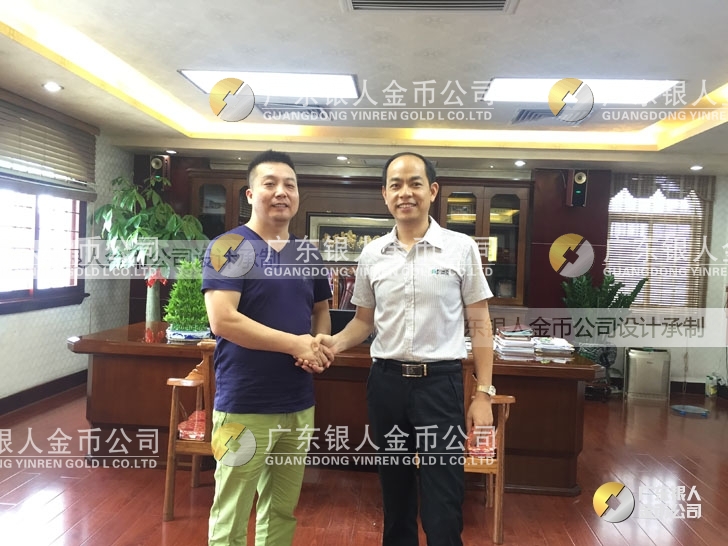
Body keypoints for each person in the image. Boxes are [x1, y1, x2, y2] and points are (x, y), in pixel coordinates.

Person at [316, 152, 495, 546]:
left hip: (441, 385)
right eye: (395, 185)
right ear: (384, 194)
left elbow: (480, 323)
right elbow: (363, 322)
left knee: (443, 502)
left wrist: (483, 393)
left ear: (433, 190)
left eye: (415, 183)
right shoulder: (372, 254)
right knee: (395, 497)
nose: (405, 193)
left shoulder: (460, 248)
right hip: (387, 384)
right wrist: (334, 342)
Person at [202, 150, 332, 546]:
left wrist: (319, 347)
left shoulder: (307, 252)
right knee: (232, 513)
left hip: (298, 403)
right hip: (244, 403)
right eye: (270, 183)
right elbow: (223, 320)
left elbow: (321, 311)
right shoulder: (229, 246)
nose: (281, 192)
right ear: (250, 194)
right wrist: (295, 344)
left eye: (289, 185)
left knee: (280, 510)